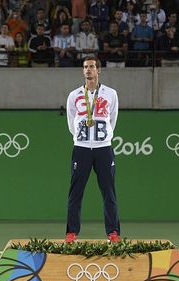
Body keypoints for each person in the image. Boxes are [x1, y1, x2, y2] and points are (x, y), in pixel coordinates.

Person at [65, 55, 121, 244]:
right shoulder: (74, 95)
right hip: (81, 148)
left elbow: (112, 119)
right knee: (76, 192)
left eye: (91, 66)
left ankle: (113, 232)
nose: (88, 70)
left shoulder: (110, 94)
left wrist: (101, 138)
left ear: (98, 70)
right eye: (85, 67)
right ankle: (72, 232)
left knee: (108, 191)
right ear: (83, 71)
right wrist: (82, 138)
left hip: (103, 148)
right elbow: (71, 122)